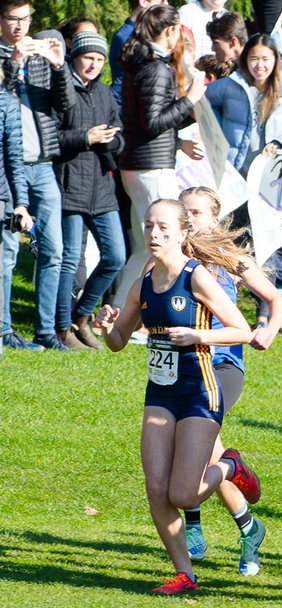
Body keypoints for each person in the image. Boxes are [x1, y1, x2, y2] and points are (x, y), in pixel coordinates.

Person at [93, 199, 260, 594]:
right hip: (159, 393)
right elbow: (118, 342)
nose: (154, 234)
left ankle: (228, 465)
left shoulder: (197, 277)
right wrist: (106, 326)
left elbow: (242, 330)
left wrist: (199, 335)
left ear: (183, 233)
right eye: (149, 226)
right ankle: (185, 572)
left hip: (200, 392)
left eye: (164, 227)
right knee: (156, 487)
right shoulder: (143, 284)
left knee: (183, 494)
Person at [177, 187, 282, 574]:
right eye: (184, 212)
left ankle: (194, 526)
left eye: (197, 213)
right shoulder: (167, 259)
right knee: (201, 452)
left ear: (216, 218)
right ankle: (248, 527)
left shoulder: (229, 258)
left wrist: (267, 329)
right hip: (180, 367)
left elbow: (276, 298)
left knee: (195, 445)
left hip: (222, 365)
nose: (189, 220)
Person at [114, 5, 207, 306]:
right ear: (170, 31)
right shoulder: (155, 67)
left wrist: (188, 114)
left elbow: (154, 118)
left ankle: (122, 310)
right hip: (150, 165)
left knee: (144, 247)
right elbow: (153, 123)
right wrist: (190, 98)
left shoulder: (144, 64)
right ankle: (131, 312)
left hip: (143, 162)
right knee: (159, 244)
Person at [0, 6, 75, 351]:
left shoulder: (42, 57)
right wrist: (14, 63)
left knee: (54, 250)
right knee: (8, 251)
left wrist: (60, 67)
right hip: (6, 168)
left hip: (42, 165)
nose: (20, 26)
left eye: (25, 19)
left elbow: (67, 105)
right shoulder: (5, 57)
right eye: (13, 19)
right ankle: (5, 332)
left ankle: (46, 332)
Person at [53, 31, 127, 351]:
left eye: (99, 59)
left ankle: (82, 317)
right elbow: (50, 140)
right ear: (75, 58)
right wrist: (85, 137)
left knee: (116, 257)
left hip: (102, 187)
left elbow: (120, 140)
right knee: (69, 260)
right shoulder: (61, 89)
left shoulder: (107, 94)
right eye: (88, 58)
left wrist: (111, 140)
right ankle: (61, 327)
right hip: (70, 185)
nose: (94, 64)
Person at [204, 33, 282, 174]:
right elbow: (201, 99)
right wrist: (216, 131)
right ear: (246, 60)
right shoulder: (231, 86)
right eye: (254, 59)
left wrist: (281, 144)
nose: (259, 65)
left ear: (275, 60)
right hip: (232, 173)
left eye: (265, 59)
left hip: (270, 176)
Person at [0, 56, 27, 356]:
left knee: (2, 266)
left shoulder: (7, 104)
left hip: (1, 197)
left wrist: (20, 203)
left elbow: (14, 160)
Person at [109, 0, 168, 105]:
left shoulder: (143, 32)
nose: (166, 4)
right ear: (143, 2)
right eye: (161, 0)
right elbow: (122, 83)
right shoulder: (126, 36)